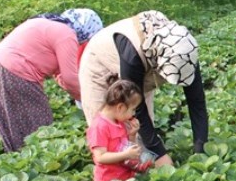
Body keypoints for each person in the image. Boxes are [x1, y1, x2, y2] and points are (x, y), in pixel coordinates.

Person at [78, 10, 209, 167]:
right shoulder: (134, 54)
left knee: (139, 138)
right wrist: (160, 154)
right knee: (107, 134)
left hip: (139, 68)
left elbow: (197, 102)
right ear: (158, 62)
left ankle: (137, 172)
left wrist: (200, 149)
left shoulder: (185, 54)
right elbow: (138, 108)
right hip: (99, 66)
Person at [0, 8, 103, 152]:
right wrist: (92, 104)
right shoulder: (66, 34)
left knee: (12, 123)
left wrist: (79, 96)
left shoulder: (50, 24)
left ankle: (17, 161)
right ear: (87, 29)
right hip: (14, 72)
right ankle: (35, 164)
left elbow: (61, 75)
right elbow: (71, 80)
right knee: (39, 127)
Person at [86, 78, 145, 181]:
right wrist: (126, 155)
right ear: (120, 107)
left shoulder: (120, 121)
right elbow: (100, 157)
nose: (133, 114)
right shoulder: (99, 127)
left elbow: (125, 147)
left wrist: (132, 135)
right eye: (133, 109)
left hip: (125, 179)